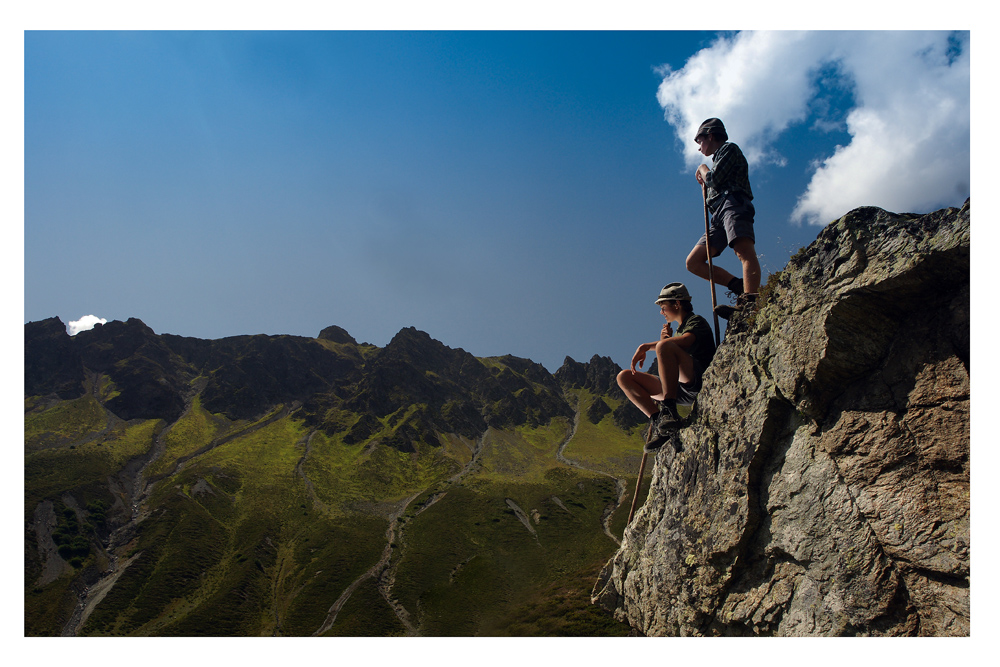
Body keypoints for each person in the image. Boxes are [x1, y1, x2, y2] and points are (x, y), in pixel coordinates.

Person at [616, 282, 716, 451]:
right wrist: (665, 341)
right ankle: (659, 421)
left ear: (677, 304)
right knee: (624, 377)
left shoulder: (695, 320)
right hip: (681, 387)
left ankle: (669, 410)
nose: (661, 312)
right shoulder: (677, 331)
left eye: (663, 307)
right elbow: (671, 347)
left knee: (664, 347)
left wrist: (649, 346)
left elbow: (686, 341)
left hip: (698, 378)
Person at [686, 117, 761, 321]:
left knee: (743, 250)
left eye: (700, 141)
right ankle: (738, 287)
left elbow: (714, 179)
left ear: (710, 136)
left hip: (734, 203)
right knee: (693, 262)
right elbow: (712, 185)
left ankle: (751, 300)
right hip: (719, 215)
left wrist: (703, 168)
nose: (700, 147)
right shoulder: (719, 157)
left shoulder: (729, 150)